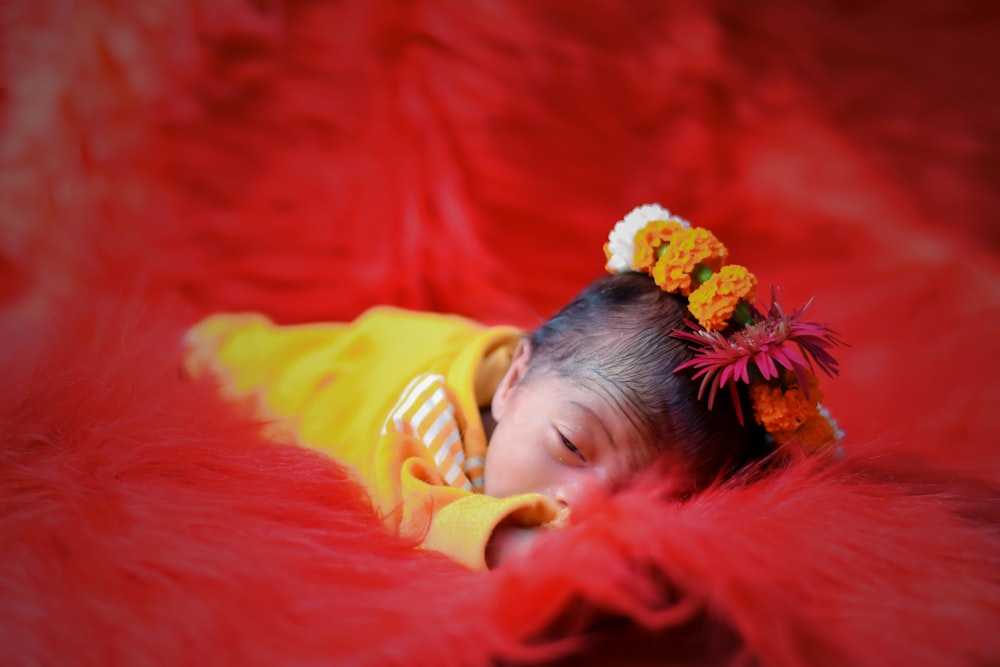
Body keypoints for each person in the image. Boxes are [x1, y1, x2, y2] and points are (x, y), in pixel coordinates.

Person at [184, 204, 843, 570]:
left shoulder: (554, 385)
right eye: (573, 445)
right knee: (224, 358)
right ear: (515, 381)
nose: (582, 504)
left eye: (641, 496)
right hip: (249, 368)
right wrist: (515, 544)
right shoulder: (427, 412)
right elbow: (399, 502)